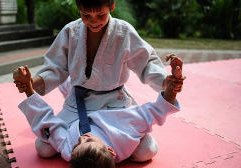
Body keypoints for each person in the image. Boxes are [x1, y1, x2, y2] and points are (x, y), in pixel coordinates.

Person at [13, 0, 183, 162]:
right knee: (42, 148)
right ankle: (70, 88)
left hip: (114, 104)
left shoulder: (123, 32)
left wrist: (165, 82)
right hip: (78, 103)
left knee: (147, 151)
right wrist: (31, 83)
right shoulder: (71, 31)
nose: (93, 21)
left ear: (112, 6)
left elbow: (147, 62)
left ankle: (123, 135)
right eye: (86, 15)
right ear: (79, 8)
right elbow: (56, 67)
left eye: (100, 15)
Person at [15, 62, 184, 168]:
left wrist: (28, 89)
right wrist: (173, 88)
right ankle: (73, 89)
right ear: (110, 150)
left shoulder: (70, 150)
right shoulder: (124, 134)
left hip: (88, 106)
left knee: (43, 147)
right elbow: (155, 112)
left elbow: (47, 122)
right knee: (147, 151)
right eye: (87, 140)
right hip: (114, 108)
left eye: (76, 145)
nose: (82, 138)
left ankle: (71, 91)